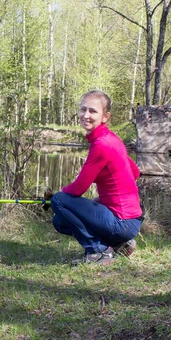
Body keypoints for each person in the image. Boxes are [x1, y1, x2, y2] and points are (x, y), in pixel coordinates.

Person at [48, 90, 143, 265]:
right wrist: (103, 199)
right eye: (83, 109)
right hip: (130, 222)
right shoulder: (111, 138)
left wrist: (57, 196)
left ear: (105, 116)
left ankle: (98, 251)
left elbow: (78, 188)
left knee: (59, 201)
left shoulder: (102, 144)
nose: (86, 115)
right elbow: (135, 173)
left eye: (93, 111)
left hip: (122, 222)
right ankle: (118, 244)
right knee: (60, 221)